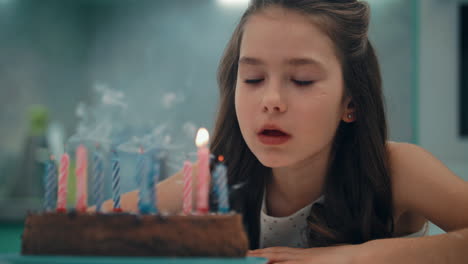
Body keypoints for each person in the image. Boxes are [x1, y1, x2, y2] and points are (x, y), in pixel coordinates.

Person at [99, 0, 468, 262]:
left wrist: (352, 259)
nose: (271, 101)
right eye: (253, 78)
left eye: (302, 80)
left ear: (351, 102)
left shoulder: (394, 169)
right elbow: (90, 229)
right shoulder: (214, 178)